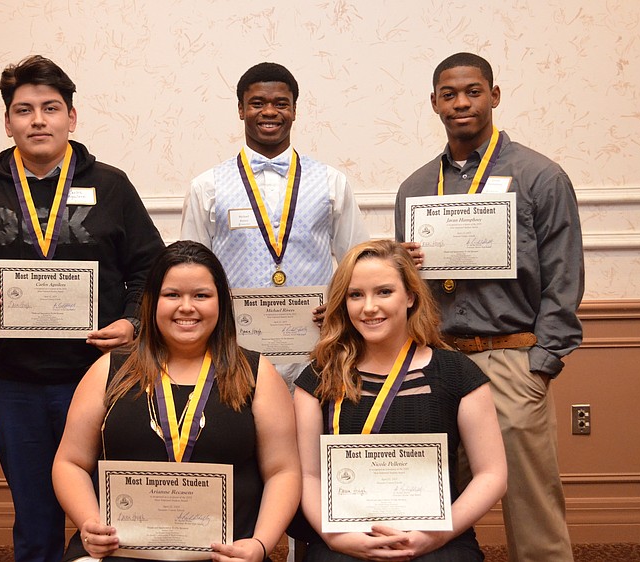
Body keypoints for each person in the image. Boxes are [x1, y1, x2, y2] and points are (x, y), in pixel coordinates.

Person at [0, 55, 165, 562]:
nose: (38, 120)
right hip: (14, 380)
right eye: (24, 110)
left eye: (50, 108)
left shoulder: (112, 185)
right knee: (35, 514)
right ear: (8, 121)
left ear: (71, 118)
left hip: (100, 376)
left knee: (105, 516)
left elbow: (151, 269)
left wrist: (131, 321)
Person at [395, 52, 584, 562]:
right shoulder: (415, 189)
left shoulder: (540, 176)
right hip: (435, 361)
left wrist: (540, 365)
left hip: (510, 359)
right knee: (435, 505)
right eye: (449, 94)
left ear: (494, 96)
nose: (462, 103)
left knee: (531, 507)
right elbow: (402, 293)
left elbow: (564, 278)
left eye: (473, 91)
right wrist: (403, 264)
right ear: (434, 103)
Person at [52, 240, 301, 562]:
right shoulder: (110, 369)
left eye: (201, 295)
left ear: (221, 303)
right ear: (152, 302)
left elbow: (283, 471)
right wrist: (89, 524)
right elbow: (69, 462)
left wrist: (260, 544)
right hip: (120, 551)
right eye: (172, 295)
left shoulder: (257, 373)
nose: (187, 307)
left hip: (226, 555)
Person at [294, 239, 506, 561]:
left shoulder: (457, 373)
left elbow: (492, 475)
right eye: (355, 295)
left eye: (383, 292)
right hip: (345, 535)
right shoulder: (318, 378)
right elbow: (308, 476)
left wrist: (431, 537)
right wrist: (336, 538)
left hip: (437, 536)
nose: (368, 307)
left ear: (410, 296)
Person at [180, 62, 369, 390]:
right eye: (257, 103)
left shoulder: (331, 182)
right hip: (235, 351)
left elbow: (360, 262)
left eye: (281, 103)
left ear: (295, 110)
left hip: (318, 351)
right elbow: (188, 270)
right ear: (241, 110)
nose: (269, 111)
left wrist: (342, 308)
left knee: (312, 438)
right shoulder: (206, 186)